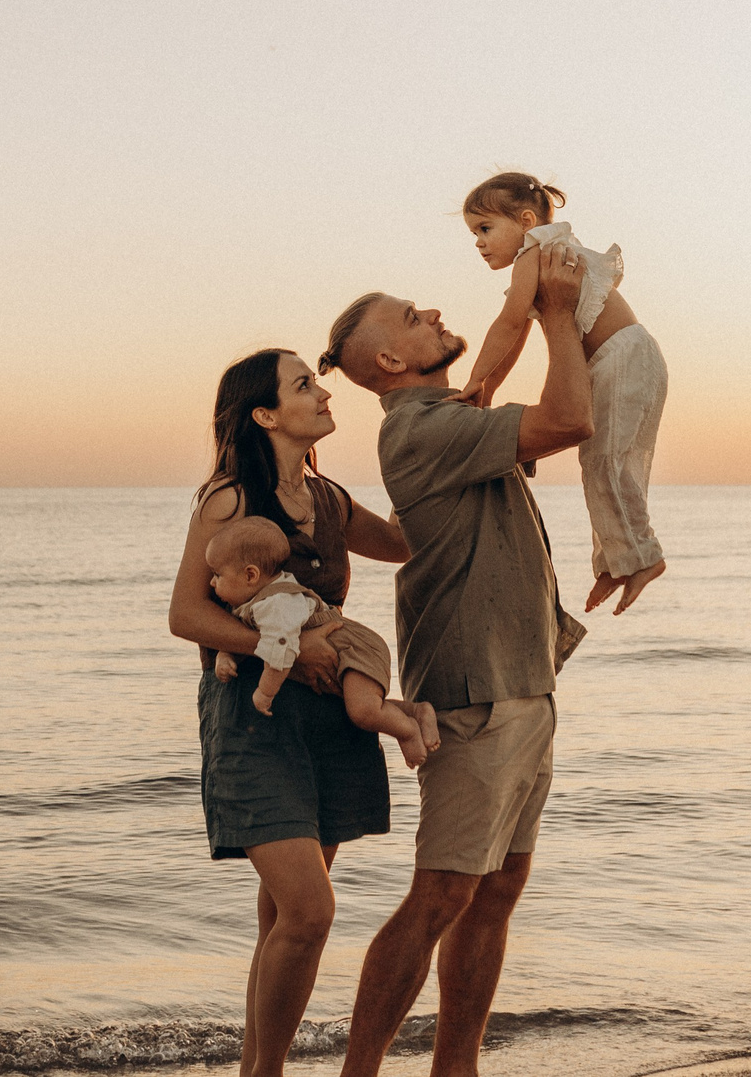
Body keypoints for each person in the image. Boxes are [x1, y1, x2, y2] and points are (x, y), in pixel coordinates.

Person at [314, 242, 594, 1077]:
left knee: (496, 888)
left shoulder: (452, 417)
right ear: (392, 360)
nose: (433, 310)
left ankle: (455, 1066)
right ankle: (359, 1072)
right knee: (441, 893)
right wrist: (552, 309)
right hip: (475, 690)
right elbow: (572, 418)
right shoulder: (424, 429)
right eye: (411, 316)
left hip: (523, 682)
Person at [168, 348, 416, 1077]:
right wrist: (282, 647)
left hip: (331, 717)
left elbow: (403, 543)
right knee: (309, 911)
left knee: (285, 915)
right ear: (266, 413)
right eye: (304, 383)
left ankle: (258, 1064)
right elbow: (185, 612)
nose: (323, 389)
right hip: (255, 714)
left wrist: (445, 448)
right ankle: (263, 1072)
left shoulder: (330, 498)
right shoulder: (230, 499)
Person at [454, 171, 669, 616]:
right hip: (629, 356)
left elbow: (509, 325)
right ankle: (619, 558)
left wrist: (476, 381)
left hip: (621, 357)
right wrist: (490, 387)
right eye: (474, 233)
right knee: (606, 459)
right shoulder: (545, 254)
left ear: (527, 220)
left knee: (605, 458)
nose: (478, 242)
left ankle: (643, 557)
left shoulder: (534, 254)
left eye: (485, 228)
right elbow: (517, 338)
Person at [206, 514, 436, 765]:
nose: (211, 581)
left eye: (218, 575)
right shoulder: (255, 603)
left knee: (362, 711)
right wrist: (225, 655)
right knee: (361, 703)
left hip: (355, 647)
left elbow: (280, 649)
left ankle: (407, 732)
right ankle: (414, 711)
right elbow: (250, 637)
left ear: (251, 575)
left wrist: (265, 692)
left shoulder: (276, 603)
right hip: (345, 646)